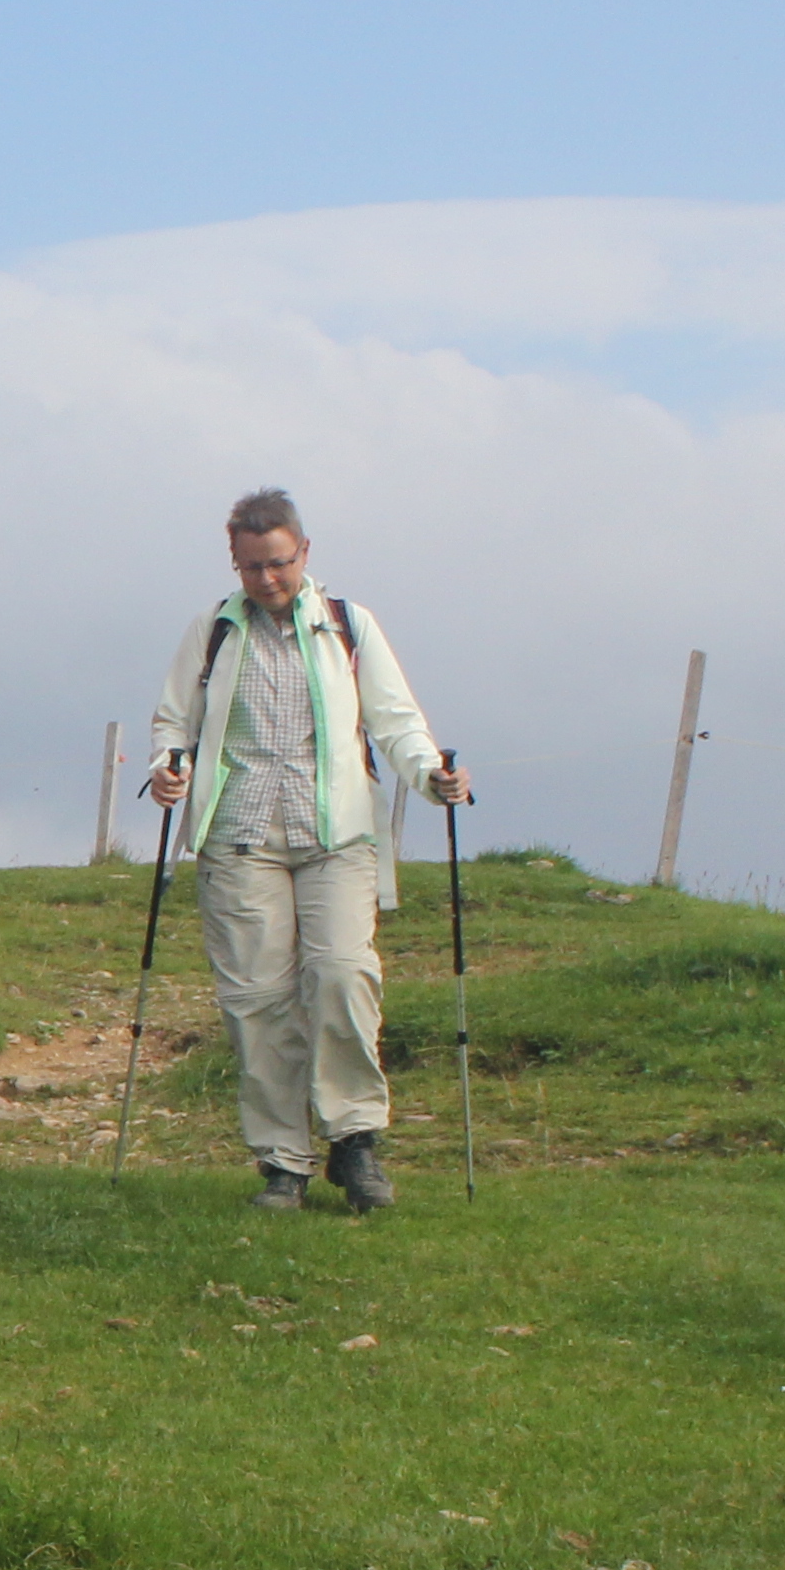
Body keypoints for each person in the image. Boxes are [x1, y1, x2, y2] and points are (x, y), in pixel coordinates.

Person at [142, 492, 469, 1212]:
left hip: (337, 836)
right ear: (236, 562)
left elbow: (394, 718)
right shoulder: (214, 631)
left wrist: (432, 776)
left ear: (305, 554)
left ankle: (354, 1143)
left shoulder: (348, 627)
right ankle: (282, 1161)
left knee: (342, 974)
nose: (267, 579)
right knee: (256, 1000)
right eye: (253, 566)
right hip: (239, 838)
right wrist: (170, 767)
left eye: (280, 563)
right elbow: (176, 719)